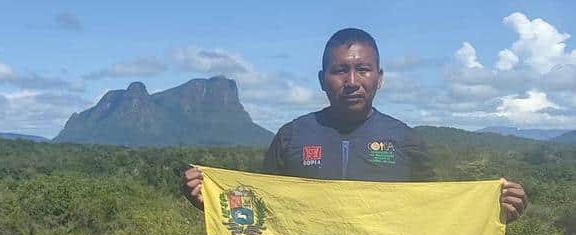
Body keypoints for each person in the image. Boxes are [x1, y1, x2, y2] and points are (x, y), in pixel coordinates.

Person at [182, 28, 527, 220]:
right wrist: (210, 200)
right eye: (339, 70)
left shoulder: (405, 141)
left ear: (380, 78)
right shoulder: (292, 136)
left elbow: (437, 214)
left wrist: (493, 211)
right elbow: (262, 208)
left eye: (362, 69)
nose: (351, 80)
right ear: (322, 79)